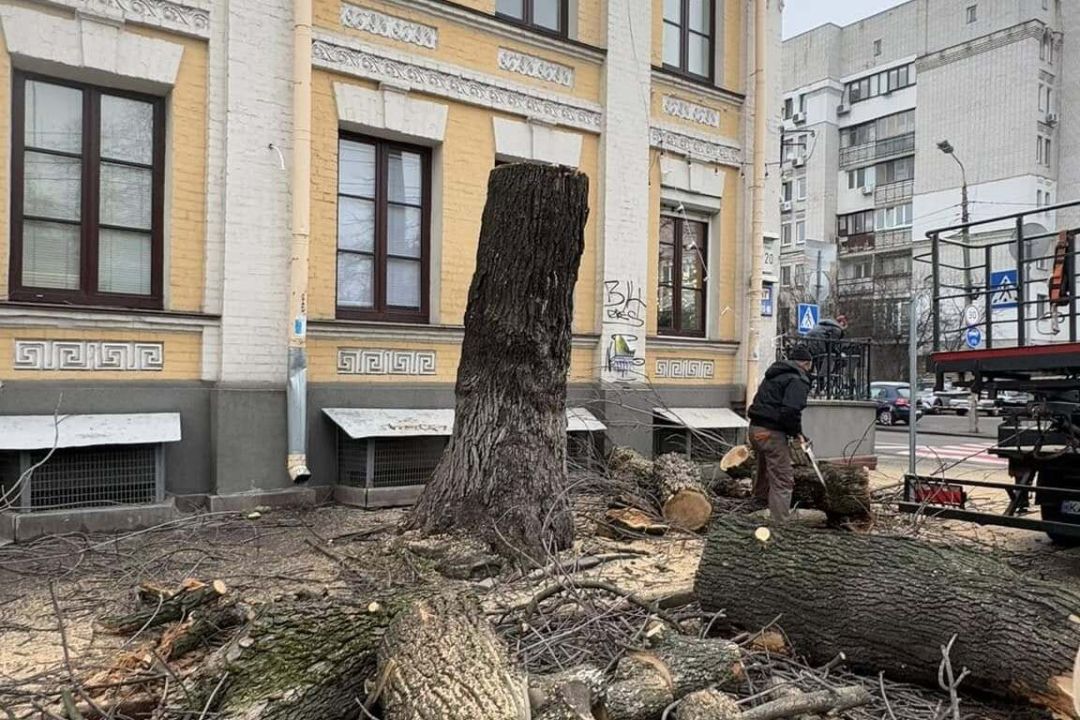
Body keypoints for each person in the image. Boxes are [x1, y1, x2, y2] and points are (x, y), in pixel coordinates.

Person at [747, 346, 813, 521]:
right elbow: (791, 410)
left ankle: (756, 512)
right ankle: (779, 525)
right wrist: (796, 432)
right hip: (771, 433)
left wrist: (795, 432)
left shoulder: (774, 374)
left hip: (755, 430)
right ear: (807, 364)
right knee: (783, 480)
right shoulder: (798, 379)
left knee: (763, 472)